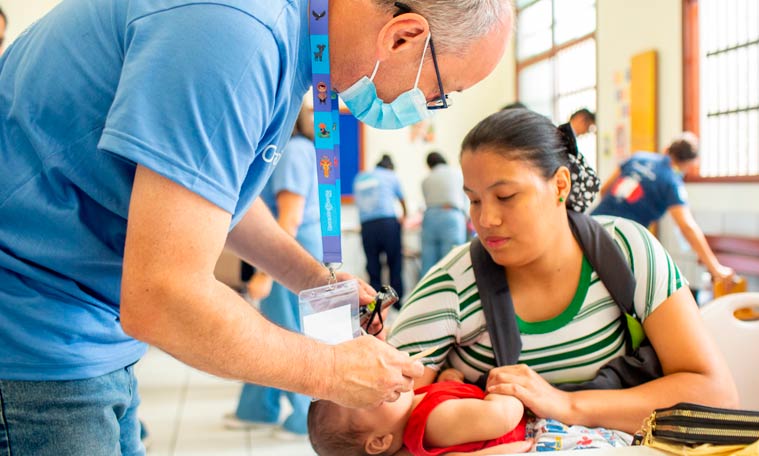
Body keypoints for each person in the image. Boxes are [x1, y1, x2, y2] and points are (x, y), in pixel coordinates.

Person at [0, 0, 514, 452]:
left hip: (84, 329)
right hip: (31, 331)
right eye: (442, 91)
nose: (427, 106)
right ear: (404, 36)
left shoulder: (285, 36)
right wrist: (332, 372)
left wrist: (315, 279)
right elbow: (161, 297)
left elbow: (209, 191)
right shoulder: (236, 33)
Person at [388, 109, 738, 434]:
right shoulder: (452, 285)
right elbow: (377, 420)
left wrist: (569, 405)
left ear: (560, 185)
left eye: (506, 196)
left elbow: (715, 394)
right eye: (475, 200)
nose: (485, 220)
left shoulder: (628, 251)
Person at [225, 105, 320, 438]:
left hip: (291, 250)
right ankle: (257, 408)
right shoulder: (301, 149)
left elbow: (289, 217)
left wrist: (266, 273)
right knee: (272, 326)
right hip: (295, 247)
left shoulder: (293, 152)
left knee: (288, 333)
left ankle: (305, 418)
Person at [591, 133, 735, 283]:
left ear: (668, 149)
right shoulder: (671, 181)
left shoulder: (638, 157)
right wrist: (716, 268)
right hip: (618, 239)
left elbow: (604, 190)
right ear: (688, 163)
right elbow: (687, 227)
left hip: (591, 224)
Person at [308, 380, 528, 456]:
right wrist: (505, 390)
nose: (373, 388)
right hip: (530, 436)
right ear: (379, 442)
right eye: (366, 400)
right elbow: (500, 417)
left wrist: (450, 380)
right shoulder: (433, 421)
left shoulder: (413, 405)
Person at [354, 154, 408, 304]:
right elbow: (402, 199)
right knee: (394, 262)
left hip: (367, 226)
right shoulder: (390, 175)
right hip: (387, 223)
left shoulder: (360, 177)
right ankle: (396, 302)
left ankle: (374, 301)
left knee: (372, 264)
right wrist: (404, 215)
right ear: (390, 167)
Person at [420, 151, 467, 275]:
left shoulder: (426, 179)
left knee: (428, 260)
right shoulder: (457, 174)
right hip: (451, 215)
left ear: (429, 165)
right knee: (451, 258)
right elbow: (466, 198)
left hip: (430, 216)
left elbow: (426, 200)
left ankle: (426, 292)